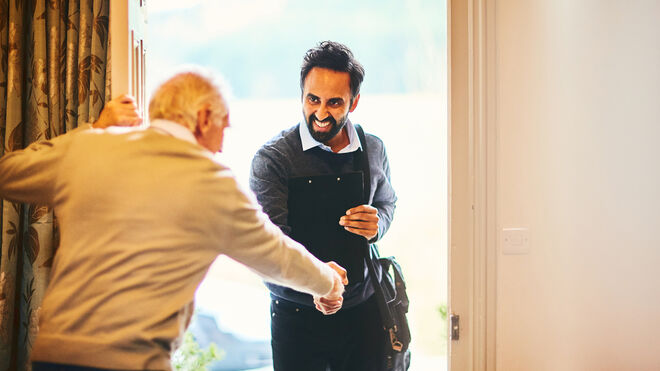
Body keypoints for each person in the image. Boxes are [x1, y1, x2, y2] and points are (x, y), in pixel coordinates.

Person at [0, 70, 348, 370]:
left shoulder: (88, 148)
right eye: (223, 128)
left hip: (53, 359)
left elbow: (9, 173)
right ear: (204, 116)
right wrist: (329, 282)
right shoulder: (212, 183)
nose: (222, 146)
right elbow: (279, 257)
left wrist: (95, 130)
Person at [250, 41, 397, 371]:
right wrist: (316, 285)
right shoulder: (273, 160)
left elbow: (387, 202)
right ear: (301, 94)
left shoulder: (373, 148)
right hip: (297, 316)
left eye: (334, 103)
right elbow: (267, 251)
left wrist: (379, 225)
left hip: (364, 313)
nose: (320, 113)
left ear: (354, 102)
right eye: (312, 99)